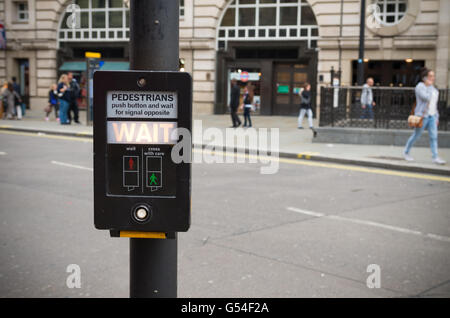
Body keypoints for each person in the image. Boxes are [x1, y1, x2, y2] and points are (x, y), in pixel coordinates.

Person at [403, 68, 446, 165]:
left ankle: (435, 157)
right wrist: (429, 87)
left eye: (433, 76)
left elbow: (434, 104)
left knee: (434, 137)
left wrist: (437, 117)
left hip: (432, 116)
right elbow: (426, 97)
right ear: (425, 78)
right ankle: (406, 152)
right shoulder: (420, 86)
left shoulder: (433, 89)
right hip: (422, 116)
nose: (432, 78)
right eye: (430, 76)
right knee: (416, 135)